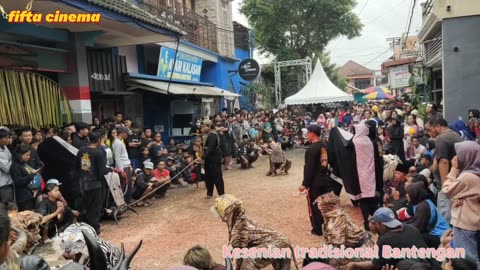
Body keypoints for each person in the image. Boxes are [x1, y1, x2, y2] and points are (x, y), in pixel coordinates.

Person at [346, 208, 439, 270]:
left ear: (380, 225)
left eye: (376, 223)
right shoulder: (411, 228)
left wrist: (355, 264)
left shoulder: (386, 240)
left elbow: (375, 265)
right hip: (432, 266)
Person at [443, 141, 480, 268]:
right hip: (471, 221)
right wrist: (455, 196)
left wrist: (453, 169)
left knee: (468, 259)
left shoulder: (468, 177)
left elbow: (447, 189)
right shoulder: (474, 173)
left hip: (465, 224)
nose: (456, 158)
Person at [298, 124, 336, 236]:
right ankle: (330, 226)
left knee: (314, 206)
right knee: (327, 205)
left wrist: (305, 184)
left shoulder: (311, 149)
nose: (306, 135)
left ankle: (317, 229)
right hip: (325, 179)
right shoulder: (325, 145)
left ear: (312, 133)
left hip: (315, 182)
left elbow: (309, 168)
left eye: (307, 132)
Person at [425, 117, 462, 223]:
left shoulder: (442, 138)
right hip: (456, 182)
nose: (429, 133)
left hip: (448, 186)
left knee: (445, 219)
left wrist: (445, 186)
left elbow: (444, 162)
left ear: (438, 127)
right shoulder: (455, 135)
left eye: (429, 130)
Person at [76, 132, 111, 234]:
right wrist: (109, 170)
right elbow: (102, 171)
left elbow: (77, 166)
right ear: (99, 139)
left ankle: (85, 226)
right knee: (95, 207)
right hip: (95, 184)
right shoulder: (99, 152)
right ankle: (94, 228)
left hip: (82, 182)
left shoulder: (82, 150)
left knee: (86, 205)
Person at [405, 182, 450, 248]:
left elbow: (417, 227)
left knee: (413, 235)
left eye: (408, 193)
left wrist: (403, 227)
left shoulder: (423, 206)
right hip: (438, 234)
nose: (406, 195)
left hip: (440, 236)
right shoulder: (422, 202)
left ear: (414, 194)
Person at [197, 119, 224, 199]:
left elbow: (210, 148)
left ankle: (221, 194)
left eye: (204, 126)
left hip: (214, 159)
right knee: (208, 176)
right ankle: (209, 193)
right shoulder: (207, 135)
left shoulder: (212, 135)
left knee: (217, 177)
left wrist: (202, 157)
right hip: (208, 159)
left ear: (209, 126)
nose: (202, 128)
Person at [113, 127, 133, 203]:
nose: (127, 135)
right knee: (125, 186)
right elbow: (117, 158)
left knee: (128, 186)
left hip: (126, 165)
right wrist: (121, 171)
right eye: (127, 134)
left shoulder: (120, 142)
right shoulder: (117, 143)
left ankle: (127, 201)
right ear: (123, 133)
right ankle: (124, 202)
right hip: (123, 167)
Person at [0, 130, 13, 203]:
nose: (8, 140)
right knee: (6, 206)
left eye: (8, 138)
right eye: (5, 138)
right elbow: (7, 167)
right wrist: (14, 161)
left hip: (8, 181)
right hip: (3, 184)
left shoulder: (5, 147)